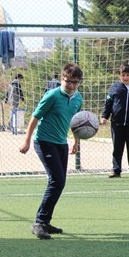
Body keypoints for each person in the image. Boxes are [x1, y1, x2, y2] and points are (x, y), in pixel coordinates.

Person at [19, 63, 84, 239]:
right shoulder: (52, 95)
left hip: (61, 143)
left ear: (79, 82)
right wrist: (26, 141)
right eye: (67, 81)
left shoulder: (78, 99)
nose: (71, 85)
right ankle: (39, 222)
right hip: (44, 141)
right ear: (62, 79)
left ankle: (45, 222)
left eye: (75, 82)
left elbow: (75, 122)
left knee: (59, 182)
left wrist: (76, 141)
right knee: (57, 180)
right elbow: (35, 117)